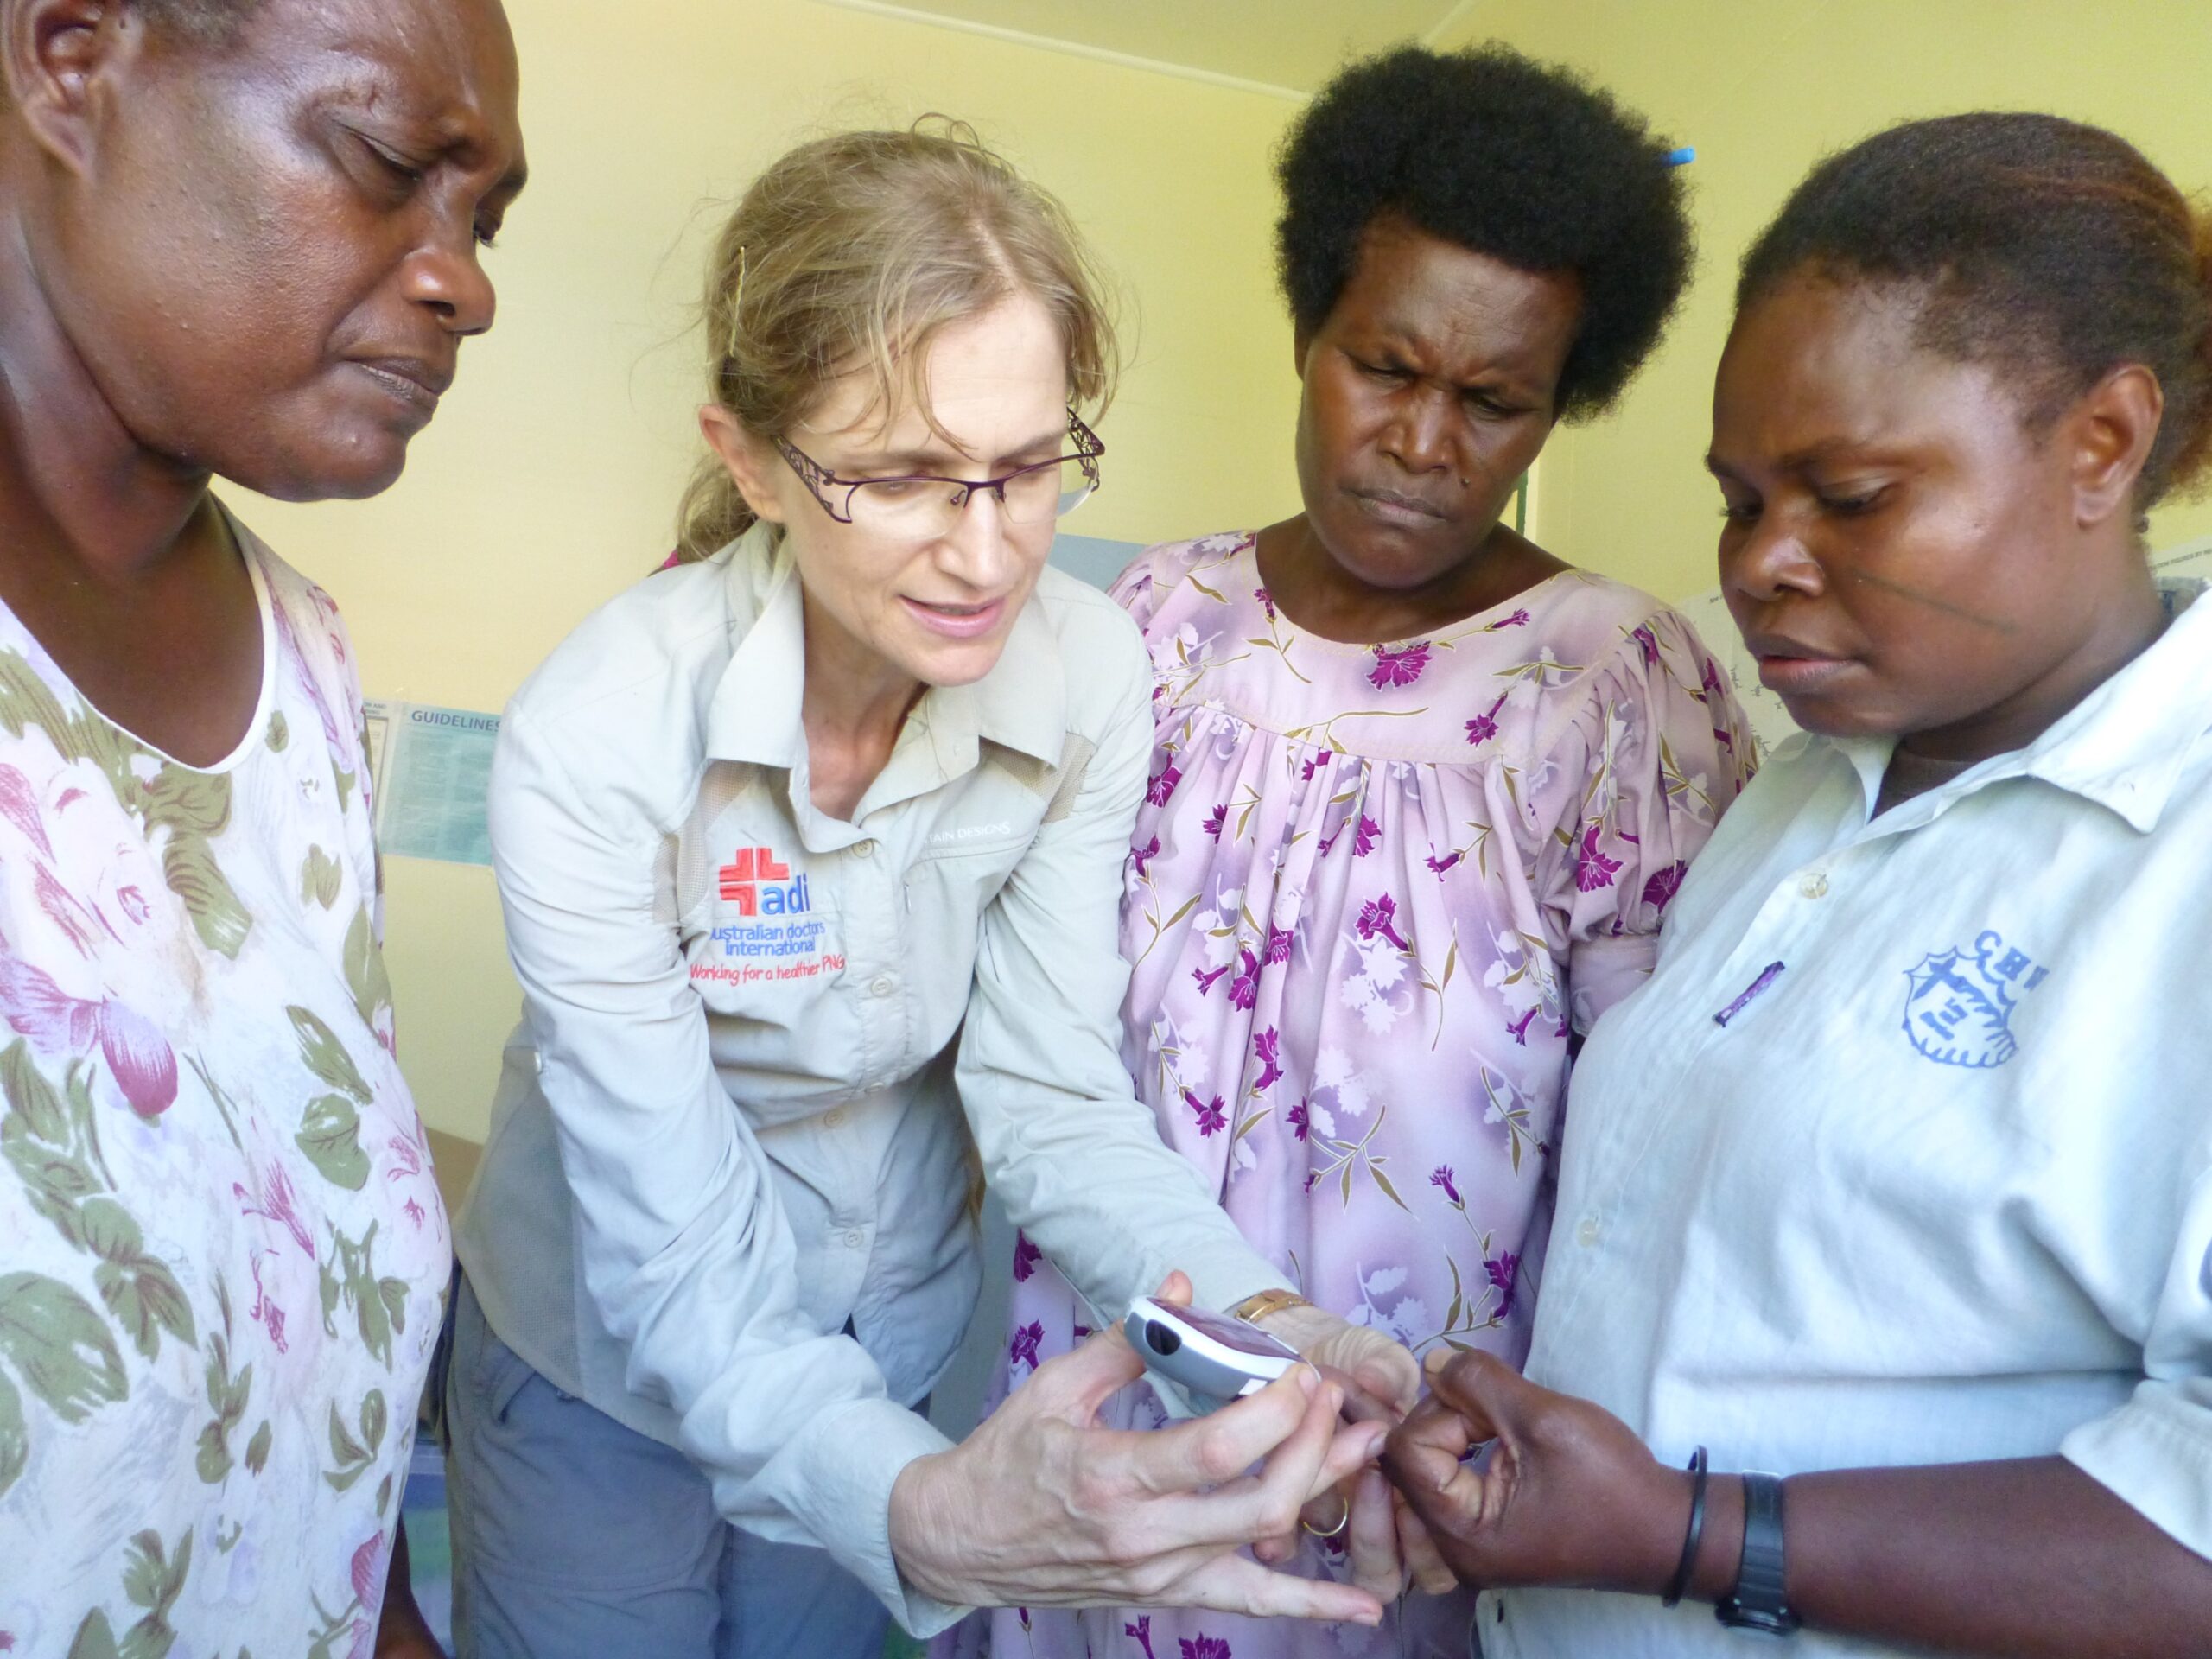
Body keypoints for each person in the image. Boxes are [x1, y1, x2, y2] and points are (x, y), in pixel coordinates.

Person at [446, 124, 1417, 1659]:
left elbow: (1047, 1091)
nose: (986, 555)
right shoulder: (602, 733)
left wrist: (1268, 1327)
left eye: (1026, 471)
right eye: (903, 477)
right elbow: (674, 1245)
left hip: (884, 1329)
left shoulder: (1087, 674)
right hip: (596, 1357)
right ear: (750, 461)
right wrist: (916, 1509)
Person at [1383, 111, 2212, 1658]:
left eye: (1853, 495)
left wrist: (1689, 1535)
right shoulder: (1797, 790)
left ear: (2102, 443)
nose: (1762, 563)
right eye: (1744, 499)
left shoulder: (2178, 863)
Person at [976, 47, 1754, 1659]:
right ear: (1307, 334)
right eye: (1382, 367)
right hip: (1126, 1353)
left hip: (1416, 1441)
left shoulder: (1615, 681)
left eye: (1495, 402)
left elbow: (1650, 1131)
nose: (1423, 441)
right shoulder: (1156, 624)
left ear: (1561, 404)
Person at [0, 0, 524, 1653]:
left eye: (486, 219)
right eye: (385, 159)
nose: (467, 285)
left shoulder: (307, 665)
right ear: (71, 62)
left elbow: (318, 1317)